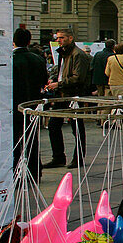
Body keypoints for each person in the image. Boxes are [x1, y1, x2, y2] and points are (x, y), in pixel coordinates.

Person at [44, 28, 90, 169]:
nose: (59, 40)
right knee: (53, 125)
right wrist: (54, 81)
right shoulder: (62, 54)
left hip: (73, 94)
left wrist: (59, 83)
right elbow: (61, 72)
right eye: (57, 38)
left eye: (62, 38)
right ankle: (58, 157)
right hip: (62, 94)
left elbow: (78, 77)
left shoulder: (78, 55)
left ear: (70, 38)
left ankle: (78, 158)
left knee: (76, 127)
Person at [13, 27, 48, 178]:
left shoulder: (12, 59)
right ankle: (35, 170)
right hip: (33, 103)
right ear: (28, 42)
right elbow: (44, 81)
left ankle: (17, 169)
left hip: (15, 105)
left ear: (14, 42)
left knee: (15, 139)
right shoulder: (38, 59)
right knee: (32, 137)